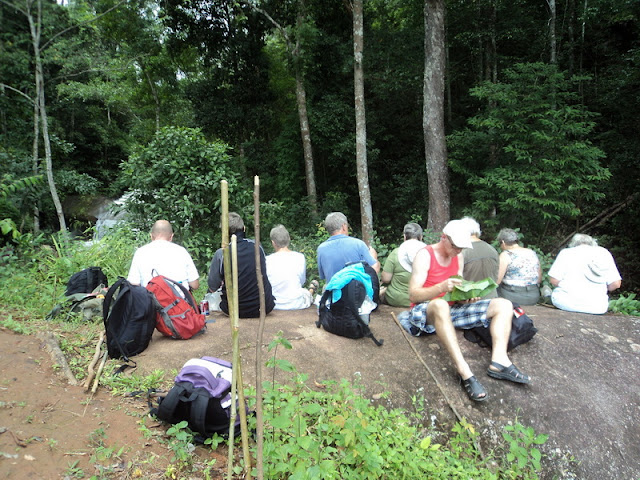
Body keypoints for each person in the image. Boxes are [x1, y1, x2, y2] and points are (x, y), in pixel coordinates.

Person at [400, 219, 531, 403]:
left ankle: (499, 361)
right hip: (426, 310)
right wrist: (441, 287)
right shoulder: (425, 255)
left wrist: (468, 296)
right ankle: (465, 372)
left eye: (462, 248)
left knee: (503, 304)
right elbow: (413, 295)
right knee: (440, 304)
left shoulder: (458, 256)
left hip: (453, 309)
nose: (458, 251)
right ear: (444, 238)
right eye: (456, 247)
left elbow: (457, 291)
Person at [207, 212, 275, 318]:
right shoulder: (258, 247)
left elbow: (213, 286)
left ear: (224, 233)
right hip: (264, 307)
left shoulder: (222, 253)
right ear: (244, 228)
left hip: (233, 310)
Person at [548, 233, 621, 315]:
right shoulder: (604, 253)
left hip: (566, 304)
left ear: (573, 244)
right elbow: (616, 284)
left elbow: (553, 280)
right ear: (593, 243)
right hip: (597, 307)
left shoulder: (566, 252)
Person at [127, 219, 200, 290]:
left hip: (149, 300)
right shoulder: (182, 251)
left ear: (151, 236)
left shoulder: (140, 252)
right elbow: (195, 285)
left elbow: (133, 284)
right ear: (171, 237)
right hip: (179, 301)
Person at [266, 224, 318, 310]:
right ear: (289, 239)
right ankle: (311, 289)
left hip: (274, 304)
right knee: (305, 292)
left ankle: (311, 289)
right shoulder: (300, 257)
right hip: (296, 303)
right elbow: (301, 281)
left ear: (273, 243)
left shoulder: (267, 260)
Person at [317, 212, 379, 283]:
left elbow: (323, 276)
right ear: (343, 226)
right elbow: (374, 270)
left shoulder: (321, 249)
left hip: (334, 292)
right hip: (357, 292)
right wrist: (374, 257)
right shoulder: (358, 244)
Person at [380, 222, 425, 307]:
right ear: (421, 237)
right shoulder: (430, 253)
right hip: (420, 300)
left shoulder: (396, 252)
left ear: (404, 237)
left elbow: (386, 279)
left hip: (396, 299)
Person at [496, 228, 542, 306]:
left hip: (513, 296)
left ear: (503, 242)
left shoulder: (506, 255)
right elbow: (539, 279)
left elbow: (497, 281)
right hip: (533, 295)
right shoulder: (531, 253)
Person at [460, 217, 499, 299]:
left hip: (470, 299)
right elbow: (496, 276)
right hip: (492, 298)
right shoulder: (492, 250)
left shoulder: (461, 252)